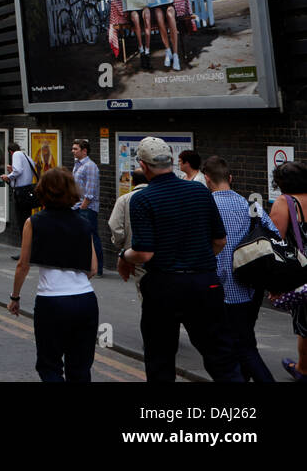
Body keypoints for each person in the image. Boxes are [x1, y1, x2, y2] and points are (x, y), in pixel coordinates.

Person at [117, 136, 240, 382]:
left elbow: (143, 253)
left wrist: (123, 256)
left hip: (164, 286)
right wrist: (197, 259)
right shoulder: (199, 191)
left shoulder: (142, 199)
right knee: (220, 357)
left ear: (143, 165)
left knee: (160, 359)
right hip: (205, 283)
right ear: (172, 161)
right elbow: (220, 241)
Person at [7, 167, 98, 381]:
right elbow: (93, 268)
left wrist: (15, 297)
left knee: (50, 366)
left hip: (51, 302)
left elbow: (23, 264)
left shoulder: (34, 222)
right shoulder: (83, 223)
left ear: (43, 191)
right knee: (80, 367)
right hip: (85, 300)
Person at [202, 156, 275, 382]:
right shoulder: (252, 206)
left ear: (207, 179)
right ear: (230, 178)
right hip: (251, 288)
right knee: (243, 341)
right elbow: (274, 237)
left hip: (220, 288)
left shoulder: (206, 206)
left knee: (240, 348)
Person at [269, 160, 307, 382]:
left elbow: (276, 245)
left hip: (302, 274)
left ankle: (302, 369)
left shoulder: (285, 203)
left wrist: (276, 285)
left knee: (305, 323)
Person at [69, 139, 102, 276]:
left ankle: (98, 269)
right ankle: (83, 265)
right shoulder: (77, 164)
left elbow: (90, 191)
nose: (73, 151)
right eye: (73, 148)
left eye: (76, 149)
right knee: (80, 238)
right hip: (77, 206)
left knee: (92, 237)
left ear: (84, 151)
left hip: (87, 208)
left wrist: (83, 207)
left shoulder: (90, 166)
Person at [1, 141, 37, 261]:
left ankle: (25, 253)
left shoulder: (16, 154)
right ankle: (29, 251)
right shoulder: (26, 156)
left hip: (21, 193)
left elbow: (18, 171)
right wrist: (13, 170)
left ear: (10, 152)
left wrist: (8, 176)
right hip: (28, 192)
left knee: (23, 223)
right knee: (27, 221)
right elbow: (26, 171)